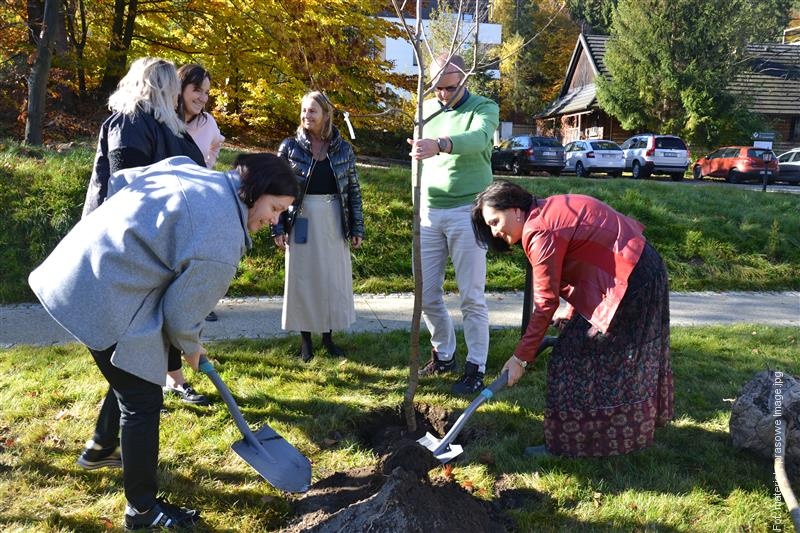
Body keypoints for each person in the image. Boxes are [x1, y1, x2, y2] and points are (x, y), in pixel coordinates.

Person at [29, 154, 298, 530]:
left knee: (134, 369)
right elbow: (180, 315)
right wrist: (192, 347)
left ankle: (102, 447)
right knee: (142, 400)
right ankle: (141, 510)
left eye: (282, 212)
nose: (275, 220)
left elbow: (125, 179)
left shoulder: (193, 170)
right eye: (275, 207)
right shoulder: (221, 240)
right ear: (253, 190)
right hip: (103, 290)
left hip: (78, 261)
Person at [471, 180, 674, 458]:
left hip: (632, 279)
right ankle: (612, 434)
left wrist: (520, 359)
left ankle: (572, 445)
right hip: (640, 268)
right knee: (600, 354)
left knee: (572, 359)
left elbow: (544, 303)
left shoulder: (539, 230)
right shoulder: (546, 211)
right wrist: (572, 312)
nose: (495, 232)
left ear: (515, 210)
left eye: (495, 221)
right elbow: (585, 256)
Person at [83, 57, 209, 406]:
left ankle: (104, 439)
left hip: (157, 245)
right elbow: (126, 190)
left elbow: (194, 175)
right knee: (134, 339)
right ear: (162, 87)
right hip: (132, 245)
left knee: (144, 336)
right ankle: (111, 432)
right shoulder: (129, 123)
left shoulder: (167, 127)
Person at [406, 53, 499, 394]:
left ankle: (476, 366)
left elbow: (479, 139)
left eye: (449, 87)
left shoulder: (484, 108)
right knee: (427, 294)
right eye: (437, 88)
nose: (443, 94)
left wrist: (442, 144)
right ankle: (444, 355)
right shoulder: (426, 113)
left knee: (471, 296)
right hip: (429, 213)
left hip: (468, 211)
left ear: (464, 80)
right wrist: (415, 207)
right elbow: (417, 162)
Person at [273, 91, 364, 362]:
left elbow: (354, 191)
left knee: (331, 279)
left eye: (312, 111)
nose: (306, 115)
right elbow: (274, 189)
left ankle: (328, 338)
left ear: (326, 114)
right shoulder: (290, 147)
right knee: (303, 279)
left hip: (334, 217)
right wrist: (277, 228)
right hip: (300, 218)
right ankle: (305, 343)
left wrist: (357, 227)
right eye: (303, 110)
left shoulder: (343, 149)